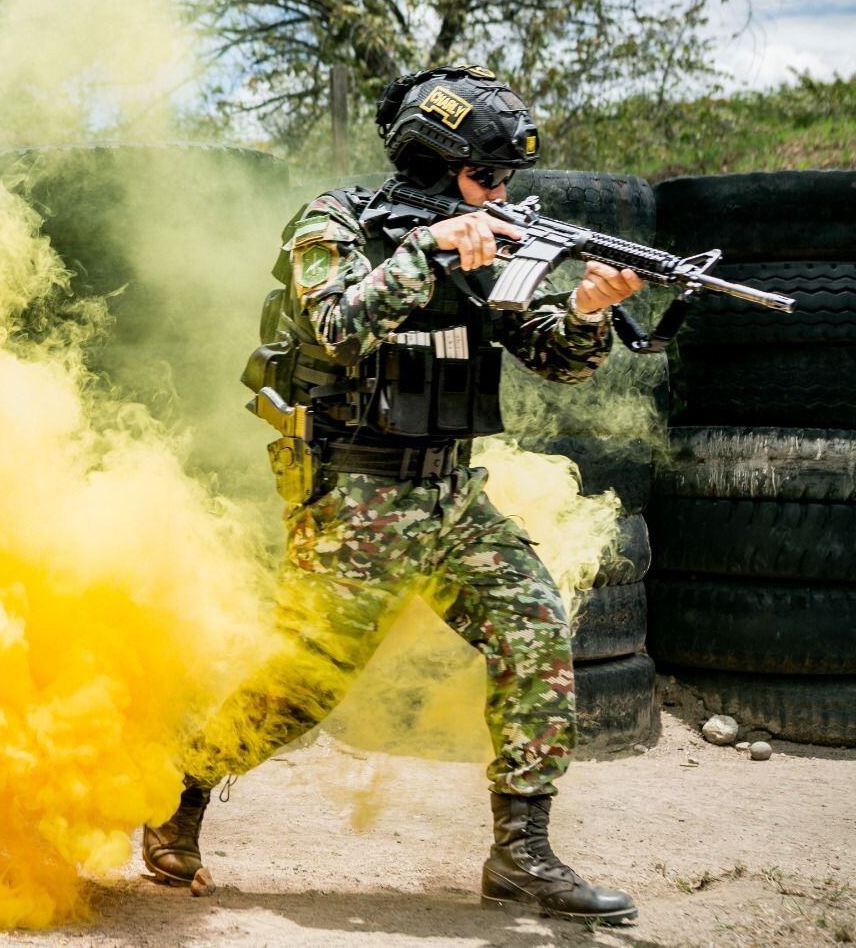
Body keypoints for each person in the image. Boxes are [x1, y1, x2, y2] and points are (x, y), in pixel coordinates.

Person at [144, 65, 644, 923]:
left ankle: (521, 855)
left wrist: (591, 311)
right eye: (486, 176)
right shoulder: (333, 223)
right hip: (355, 498)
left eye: (506, 180)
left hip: (452, 494)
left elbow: (554, 357)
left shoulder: (492, 243)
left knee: (535, 628)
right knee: (306, 685)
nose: (501, 193)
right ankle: (178, 793)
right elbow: (336, 326)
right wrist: (432, 250)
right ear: (430, 162)